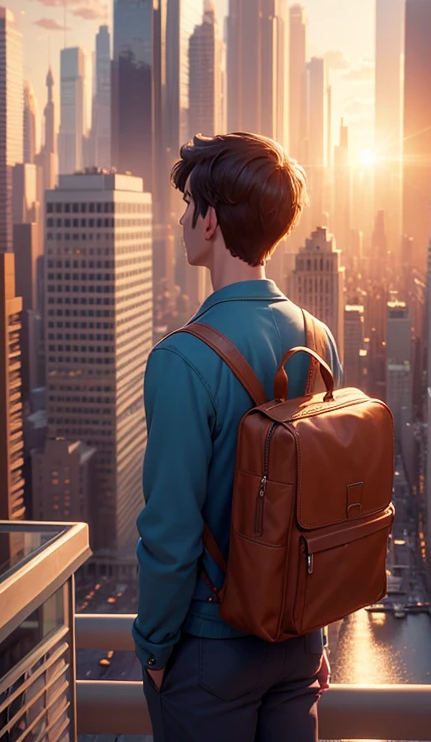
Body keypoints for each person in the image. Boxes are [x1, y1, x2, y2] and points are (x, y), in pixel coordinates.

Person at [133, 131, 343, 742]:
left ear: (210, 222)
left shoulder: (181, 359)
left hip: (208, 648)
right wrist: (316, 632)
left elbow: (170, 530)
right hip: (297, 639)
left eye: (188, 205)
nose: (181, 219)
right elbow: (321, 511)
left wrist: (153, 649)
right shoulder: (317, 336)